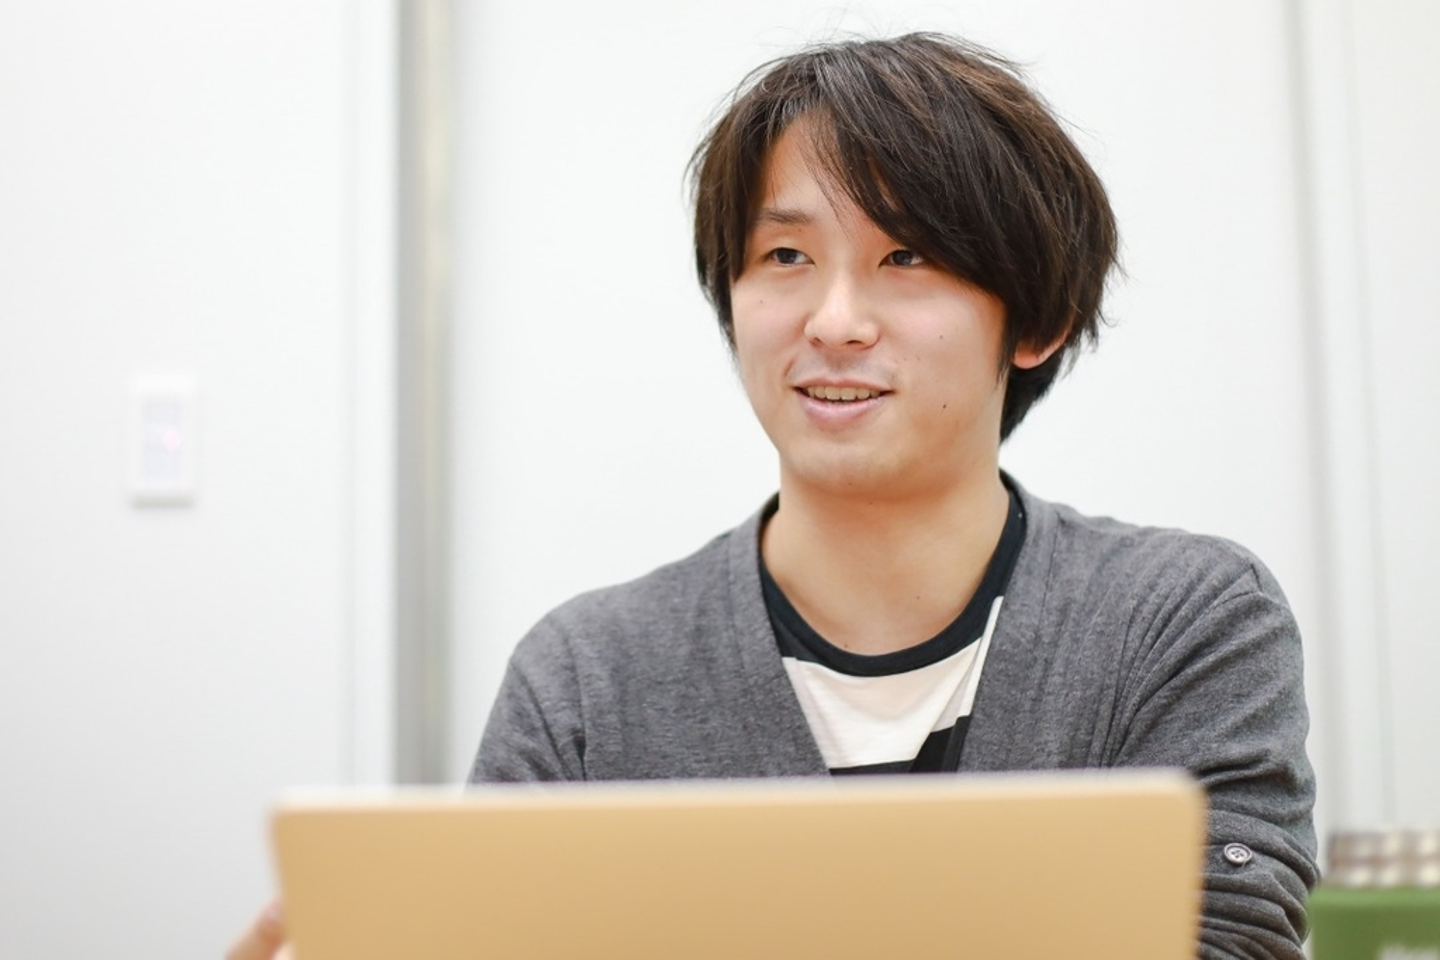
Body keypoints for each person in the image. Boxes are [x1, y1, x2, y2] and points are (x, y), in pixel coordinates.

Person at [232, 32, 1317, 960]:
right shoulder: (587, 679)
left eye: (907, 256)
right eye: (786, 254)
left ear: (1033, 320)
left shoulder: (1182, 622)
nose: (834, 320)